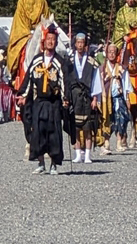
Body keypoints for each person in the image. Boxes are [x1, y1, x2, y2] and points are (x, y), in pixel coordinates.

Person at [24, 27, 65, 174]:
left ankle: (54, 164)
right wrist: (23, 95)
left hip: (53, 102)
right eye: (48, 39)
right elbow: (28, 79)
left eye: (53, 40)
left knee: (54, 133)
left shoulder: (59, 61)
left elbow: (64, 81)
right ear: (44, 41)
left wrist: (65, 98)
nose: (51, 42)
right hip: (40, 102)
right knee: (38, 132)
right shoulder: (37, 60)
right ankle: (40, 162)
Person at [61, 32, 100, 165]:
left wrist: (95, 98)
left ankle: (88, 154)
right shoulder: (69, 61)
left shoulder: (92, 62)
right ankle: (78, 153)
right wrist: (66, 96)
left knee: (87, 127)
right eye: (78, 43)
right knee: (76, 127)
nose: (80, 45)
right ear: (75, 44)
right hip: (74, 96)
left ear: (85, 45)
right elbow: (66, 80)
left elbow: (96, 81)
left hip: (87, 96)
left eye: (82, 43)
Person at [4, 0, 50, 81]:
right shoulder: (21, 1)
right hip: (25, 33)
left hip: (40, 32)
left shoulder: (42, 0)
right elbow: (19, 20)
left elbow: (46, 17)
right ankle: (15, 75)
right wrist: (28, 33)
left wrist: (41, 30)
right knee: (19, 52)